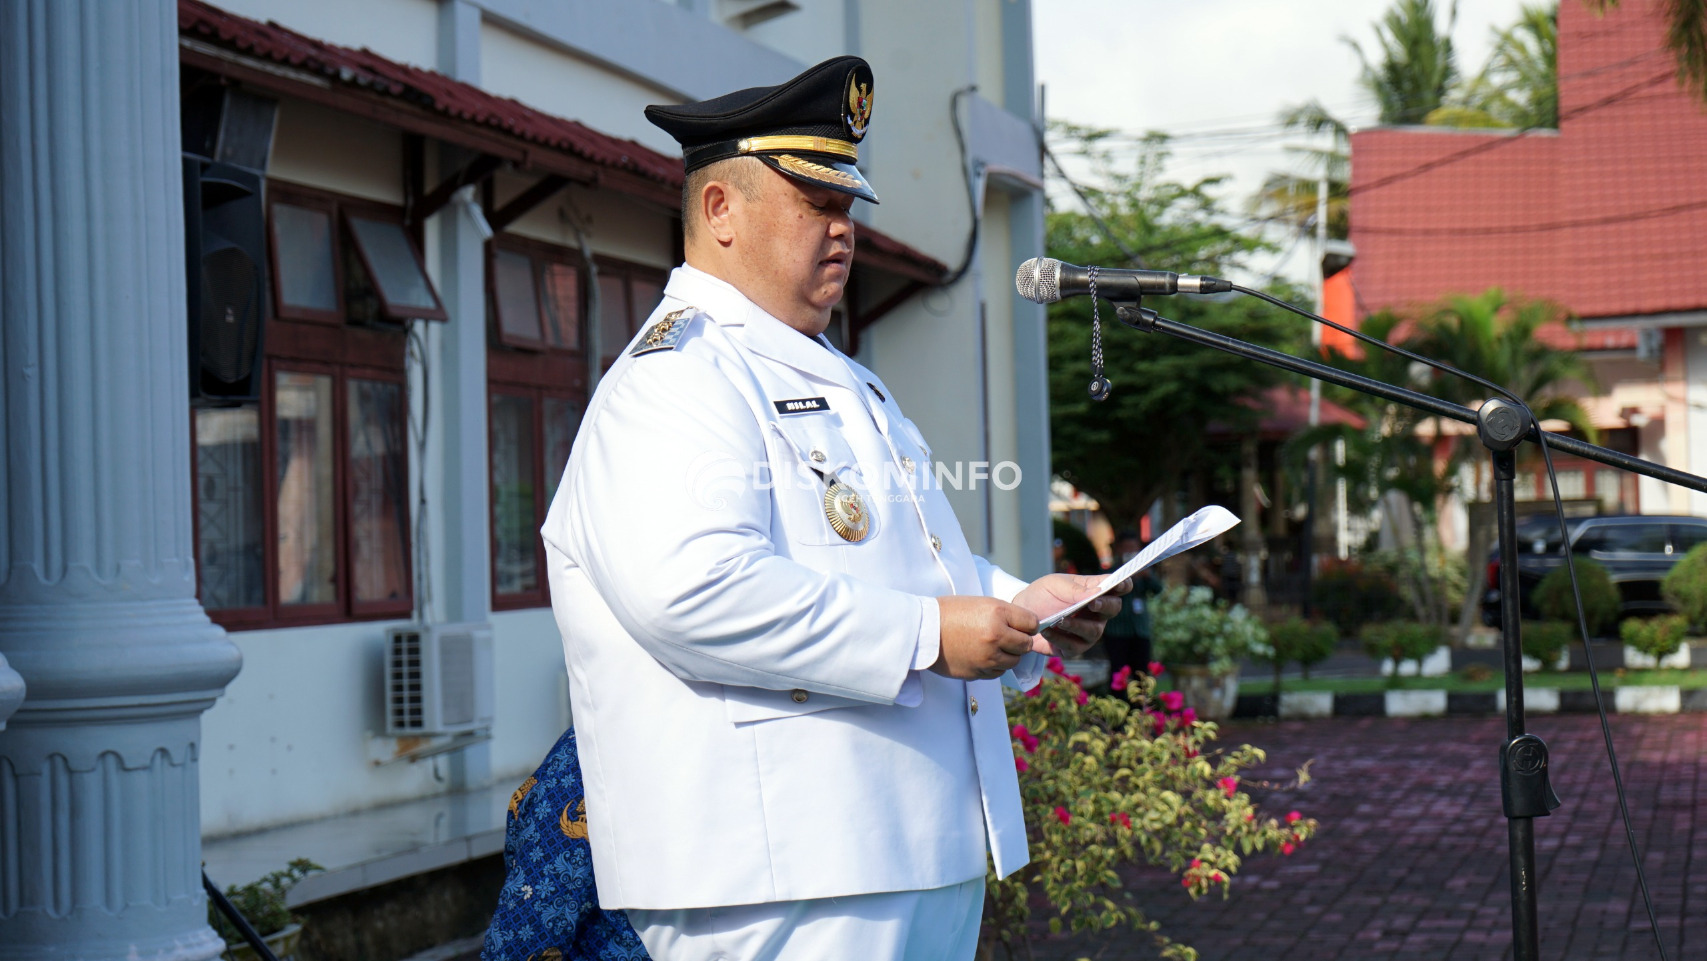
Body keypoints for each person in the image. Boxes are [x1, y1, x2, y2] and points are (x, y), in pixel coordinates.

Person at [540, 55, 1128, 961]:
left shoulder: (833, 374)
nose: (843, 228)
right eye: (815, 203)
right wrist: (928, 634)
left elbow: (897, 563)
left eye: (848, 205)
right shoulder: (677, 378)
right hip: (779, 866)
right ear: (719, 210)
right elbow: (689, 591)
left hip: (895, 842)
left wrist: (1019, 605)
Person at [1099, 530, 1163, 676]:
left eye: (1133, 548)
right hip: (1117, 630)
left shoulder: (1144, 571)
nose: (1130, 552)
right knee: (1118, 671)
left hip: (1140, 629)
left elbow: (1157, 589)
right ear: (1118, 549)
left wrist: (1147, 575)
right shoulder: (1110, 572)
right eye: (1126, 548)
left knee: (1141, 672)